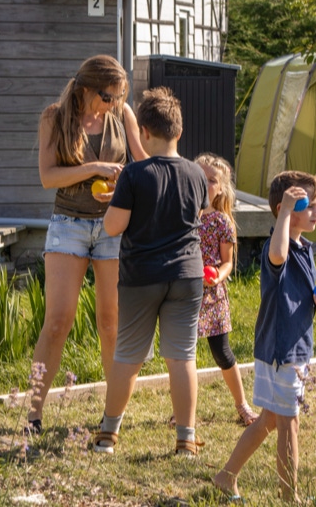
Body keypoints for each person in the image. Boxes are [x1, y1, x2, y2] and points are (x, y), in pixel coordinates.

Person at [27, 54, 147, 434]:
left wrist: (125, 183)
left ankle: (112, 418)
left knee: (111, 324)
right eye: (108, 96)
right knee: (57, 322)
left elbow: (142, 164)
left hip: (112, 227)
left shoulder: (122, 115)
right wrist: (94, 168)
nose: (113, 104)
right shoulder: (54, 117)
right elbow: (48, 177)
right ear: (87, 88)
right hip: (69, 225)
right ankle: (32, 414)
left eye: (118, 97)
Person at [95, 86, 209, 456]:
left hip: (141, 276)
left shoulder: (134, 174)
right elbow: (197, 216)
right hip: (187, 275)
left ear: (143, 132)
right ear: (179, 131)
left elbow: (113, 227)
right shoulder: (196, 173)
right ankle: (186, 439)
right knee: (182, 356)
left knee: (128, 356)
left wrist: (113, 201)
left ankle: (108, 435)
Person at [213, 170, 316, 503]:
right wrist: (284, 213)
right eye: (309, 205)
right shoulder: (276, 246)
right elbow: (278, 257)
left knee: (269, 419)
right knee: (289, 424)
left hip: (293, 346)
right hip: (282, 351)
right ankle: (289, 497)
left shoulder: (304, 248)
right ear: (285, 209)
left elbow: (297, 295)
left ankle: (226, 476)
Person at [193, 153, 259, 426]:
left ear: (221, 188)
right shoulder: (183, 216)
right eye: (200, 178)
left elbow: (228, 262)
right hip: (185, 294)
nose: (205, 184)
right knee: (183, 356)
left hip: (212, 296)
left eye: (212, 180)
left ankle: (242, 406)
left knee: (222, 353)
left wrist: (217, 277)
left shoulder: (222, 222)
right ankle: (182, 410)